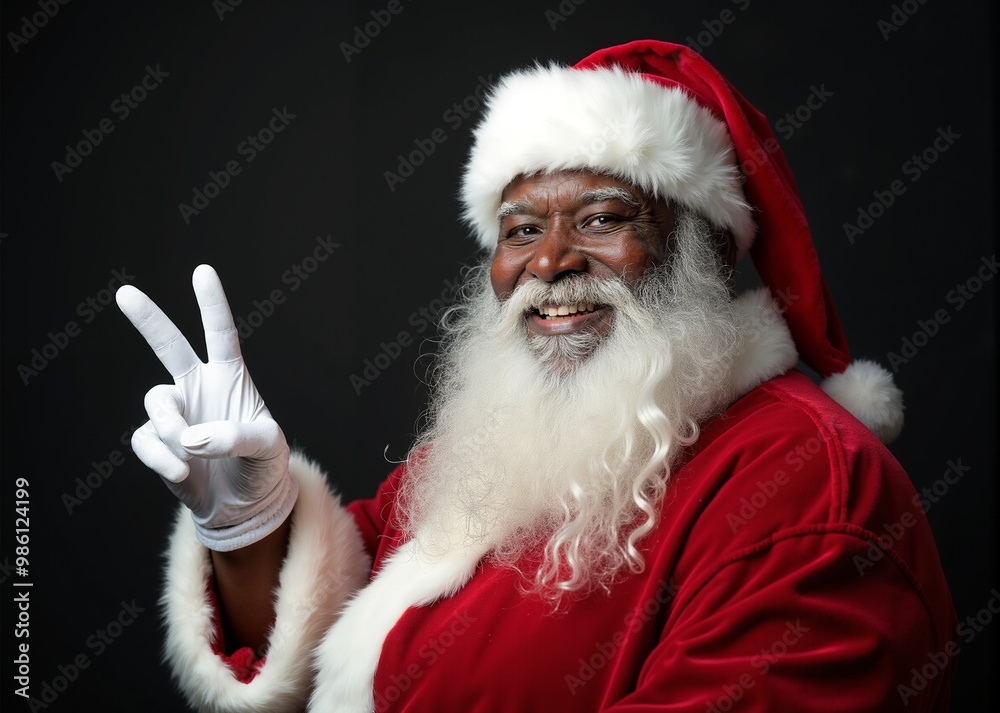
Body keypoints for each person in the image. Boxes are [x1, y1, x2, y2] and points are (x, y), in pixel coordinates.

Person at [117, 40, 957, 712]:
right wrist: (249, 527)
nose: (549, 263)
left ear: (704, 247)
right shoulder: (509, 447)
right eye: (520, 229)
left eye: (600, 219)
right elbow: (329, 621)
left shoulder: (810, 488)